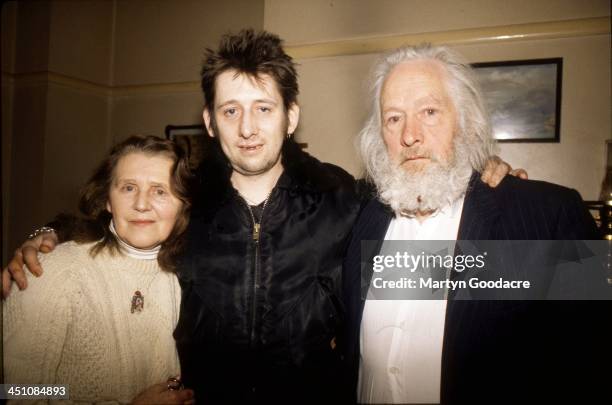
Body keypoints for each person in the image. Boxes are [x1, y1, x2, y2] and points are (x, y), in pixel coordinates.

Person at [3, 31, 520, 404]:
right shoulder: (185, 199)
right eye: (230, 110)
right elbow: (117, 222)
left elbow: (427, 214)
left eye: (263, 108)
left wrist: (482, 184)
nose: (247, 128)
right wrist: (48, 233)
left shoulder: (346, 199)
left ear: (291, 115)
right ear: (209, 120)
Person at [342, 44, 607, 404]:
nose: (409, 135)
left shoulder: (550, 215)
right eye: (394, 118)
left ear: (465, 122)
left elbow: (593, 364)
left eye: (430, 111)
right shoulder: (359, 214)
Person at [3, 135, 194, 404]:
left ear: (183, 204)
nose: (141, 204)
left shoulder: (187, 272)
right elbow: (14, 391)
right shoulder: (52, 270)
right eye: (128, 188)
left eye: (160, 191)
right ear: (107, 199)